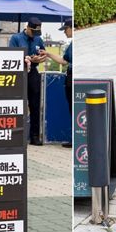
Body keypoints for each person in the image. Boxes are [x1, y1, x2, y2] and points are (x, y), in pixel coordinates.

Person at [9, 17, 48, 146]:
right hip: (19, 73)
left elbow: (44, 56)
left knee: (35, 105)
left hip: (33, 74)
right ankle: (16, 135)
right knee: (18, 105)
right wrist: (26, 58)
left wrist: (37, 59)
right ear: (28, 27)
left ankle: (35, 136)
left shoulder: (38, 39)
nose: (35, 35)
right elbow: (10, 55)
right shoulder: (16, 38)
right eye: (33, 32)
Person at [40, 18, 72, 148]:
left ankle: (75, 139)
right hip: (69, 77)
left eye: (65, 29)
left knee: (74, 108)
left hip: (73, 77)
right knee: (72, 108)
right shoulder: (71, 45)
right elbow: (64, 61)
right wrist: (48, 53)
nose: (64, 32)